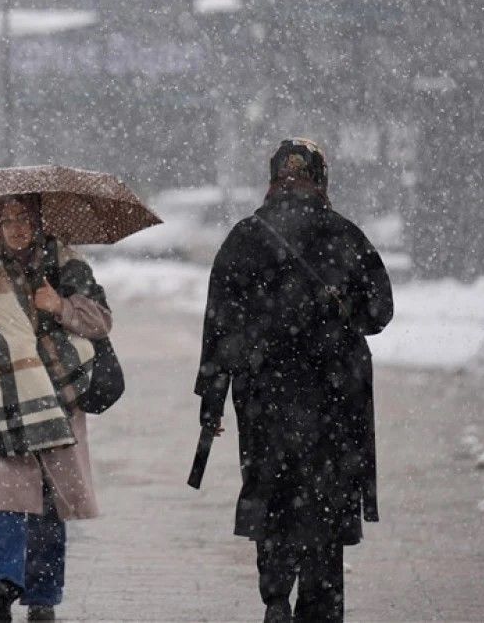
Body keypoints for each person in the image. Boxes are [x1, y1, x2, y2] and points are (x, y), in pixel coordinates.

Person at [194, 138, 393, 623]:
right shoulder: (346, 236)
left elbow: (220, 325)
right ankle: (319, 603)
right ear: (321, 180)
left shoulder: (244, 237)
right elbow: (379, 313)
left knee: (272, 495)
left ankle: (276, 595)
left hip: (264, 398)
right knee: (324, 503)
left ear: (272, 179)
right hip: (333, 396)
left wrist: (212, 401)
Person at [0, 194, 112, 623]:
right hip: (0, 397)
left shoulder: (70, 267)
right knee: (5, 494)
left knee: (47, 498)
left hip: (57, 394)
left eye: (24, 219)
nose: (16, 228)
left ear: (40, 223)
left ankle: (42, 598)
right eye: (7, 221)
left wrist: (59, 306)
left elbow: (100, 323)